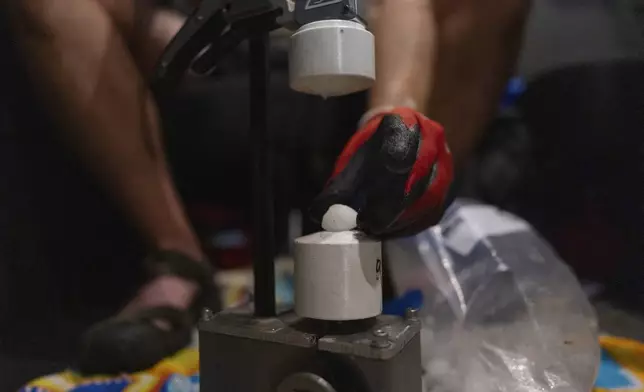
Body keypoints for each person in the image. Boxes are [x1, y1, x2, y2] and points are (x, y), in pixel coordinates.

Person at [4, 0, 528, 376]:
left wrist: (394, 111)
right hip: (215, 51)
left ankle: (401, 207)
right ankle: (178, 259)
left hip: (368, 55)